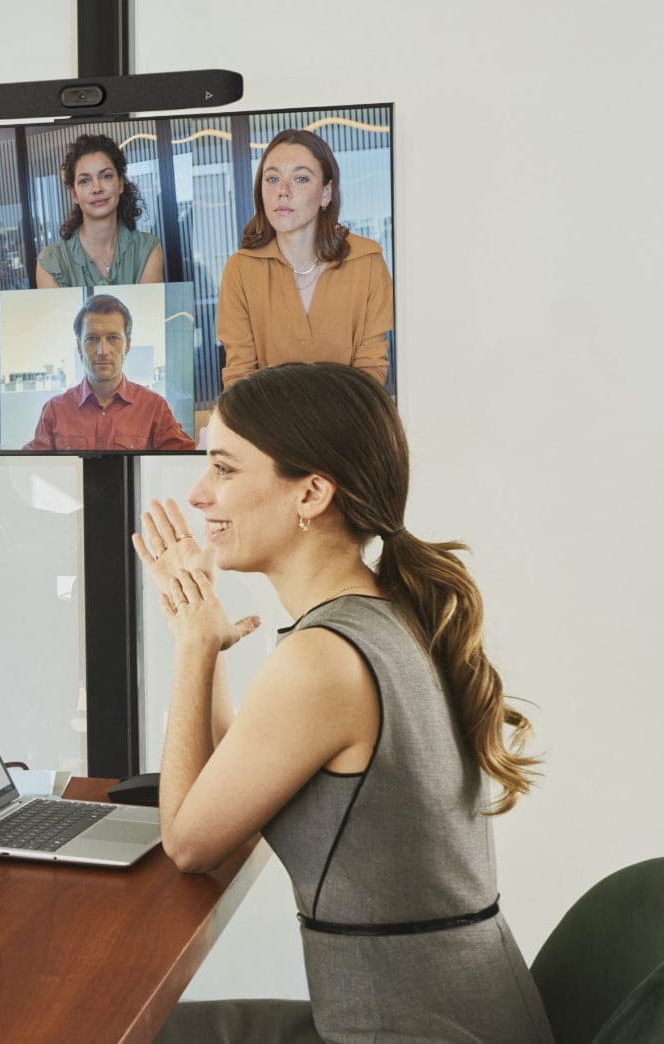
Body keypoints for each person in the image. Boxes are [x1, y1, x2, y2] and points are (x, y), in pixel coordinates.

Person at [134, 362, 551, 1043]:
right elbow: (228, 798)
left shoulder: (322, 661)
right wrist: (204, 633)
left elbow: (188, 843)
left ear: (312, 494)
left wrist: (190, 648)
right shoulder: (387, 617)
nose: (200, 494)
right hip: (464, 1015)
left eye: (226, 469)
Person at [215, 129, 394, 389]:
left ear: (326, 193)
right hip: (267, 426)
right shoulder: (240, 268)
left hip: (349, 422)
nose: (283, 191)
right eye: (272, 178)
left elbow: (371, 369)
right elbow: (239, 377)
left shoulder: (367, 260)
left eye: (300, 178)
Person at [23, 293, 194, 451]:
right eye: (92, 339)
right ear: (79, 347)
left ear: (127, 345)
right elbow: (34, 470)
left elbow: (182, 466)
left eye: (113, 338)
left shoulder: (154, 407)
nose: (102, 350)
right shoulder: (55, 410)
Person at [33, 134, 164, 288]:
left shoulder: (148, 248)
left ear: (120, 184)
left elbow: (147, 311)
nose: (97, 188)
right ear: (74, 194)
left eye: (106, 176)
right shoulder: (50, 262)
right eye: (85, 181)